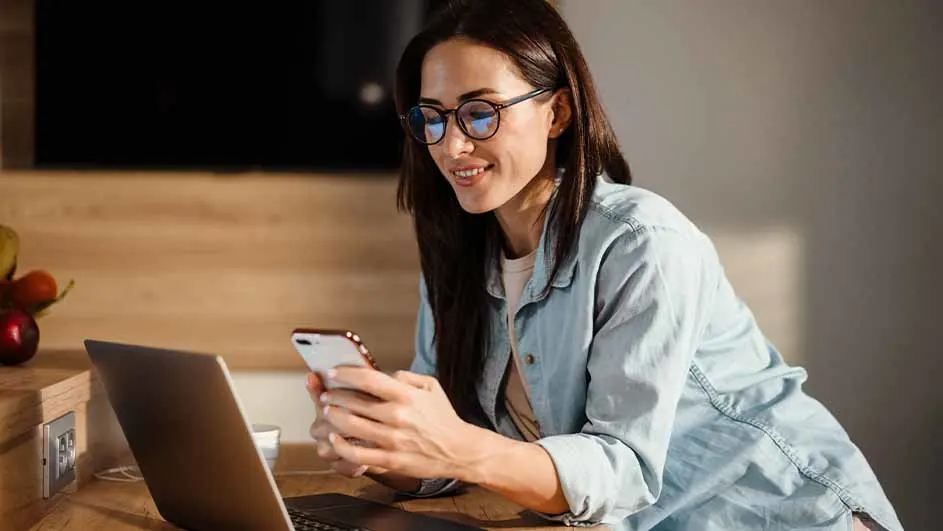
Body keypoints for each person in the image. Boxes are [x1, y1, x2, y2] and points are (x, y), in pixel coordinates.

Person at [305, 1, 902, 529]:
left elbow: (622, 471)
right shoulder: (457, 258)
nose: (450, 145)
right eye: (431, 117)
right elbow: (449, 460)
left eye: (480, 113)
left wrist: (454, 446)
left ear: (557, 113)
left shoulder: (643, 242)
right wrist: (386, 448)